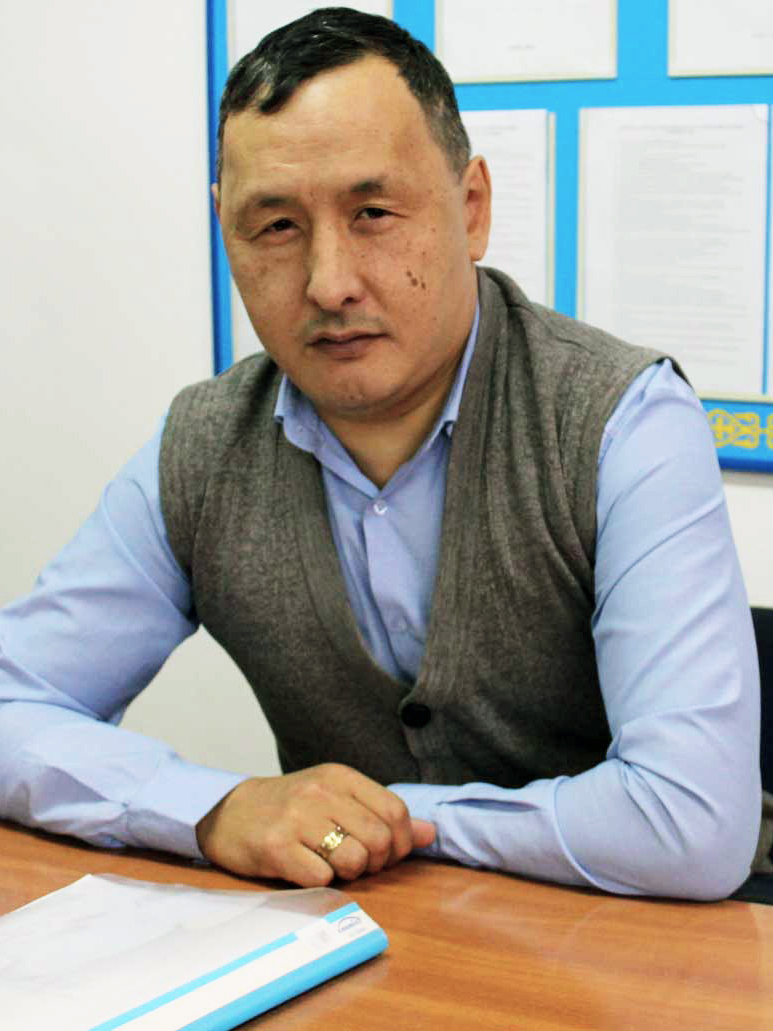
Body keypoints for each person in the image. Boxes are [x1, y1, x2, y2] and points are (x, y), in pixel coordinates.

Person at [0, 7, 761, 899]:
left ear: (470, 210)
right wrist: (213, 808)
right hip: (362, 948)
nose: (328, 283)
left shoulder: (619, 420)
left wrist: (386, 820)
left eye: (372, 213)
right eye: (275, 226)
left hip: (620, 941)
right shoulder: (204, 447)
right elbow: (14, 703)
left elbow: (689, 824)